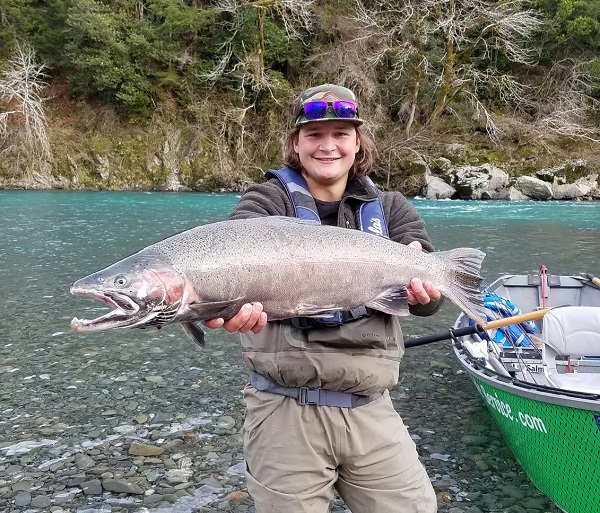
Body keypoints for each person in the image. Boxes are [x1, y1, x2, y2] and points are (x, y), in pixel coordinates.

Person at [203, 83, 443, 513]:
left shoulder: (391, 209)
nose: (327, 146)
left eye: (340, 134)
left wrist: (427, 291)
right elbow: (232, 255)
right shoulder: (265, 201)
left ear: (358, 144)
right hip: (283, 410)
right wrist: (228, 306)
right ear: (296, 144)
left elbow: (428, 304)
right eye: (314, 135)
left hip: (372, 410)